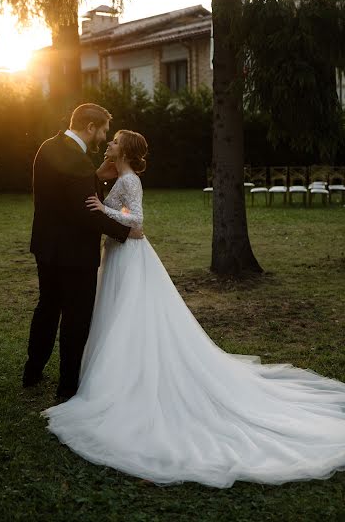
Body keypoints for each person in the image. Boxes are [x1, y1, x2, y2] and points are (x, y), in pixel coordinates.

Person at [43, 130, 345, 488]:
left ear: (124, 149)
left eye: (114, 141)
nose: (109, 143)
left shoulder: (130, 180)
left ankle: (127, 378)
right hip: (119, 254)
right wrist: (104, 194)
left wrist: (103, 208)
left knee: (130, 316)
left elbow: (136, 221)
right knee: (117, 316)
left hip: (129, 256)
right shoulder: (120, 176)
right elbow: (121, 212)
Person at [23, 104, 142, 401]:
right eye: (103, 130)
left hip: (46, 247)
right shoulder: (78, 161)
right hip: (75, 254)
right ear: (90, 127)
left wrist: (96, 177)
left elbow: (65, 194)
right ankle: (67, 387)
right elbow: (85, 212)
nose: (104, 136)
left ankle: (32, 371)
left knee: (47, 308)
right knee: (76, 318)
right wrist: (127, 231)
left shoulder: (47, 148)